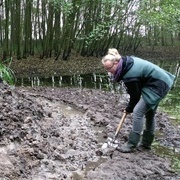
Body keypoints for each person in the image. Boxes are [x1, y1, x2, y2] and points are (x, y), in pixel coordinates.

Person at [101, 48, 175, 153]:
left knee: (138, 112)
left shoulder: (129, 74)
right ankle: (146, 144)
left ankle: (131, 145)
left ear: (116, 63)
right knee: (149, 114)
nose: (109, 72)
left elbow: (135, 95)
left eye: (109, 69)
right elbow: (136, 90)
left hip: (158, 85)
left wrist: (129, 108)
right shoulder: (126, 63)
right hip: (160, 82)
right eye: (106, 69)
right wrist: (129, 106)